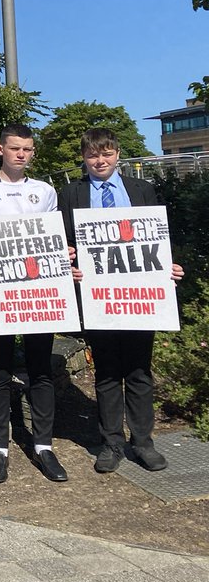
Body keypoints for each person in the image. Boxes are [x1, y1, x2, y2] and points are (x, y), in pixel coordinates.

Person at [57, 127, 185, 474]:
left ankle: (143, 442)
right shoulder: (72, 193)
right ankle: (111, 442)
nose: (100, 160)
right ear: (84, 158)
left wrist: (167, 267)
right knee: (108, 372)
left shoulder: (142, 189)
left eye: (107, 153)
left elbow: (156, 239)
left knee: (140, 370)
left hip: (141, 297)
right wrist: (69, 265)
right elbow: (64, 241)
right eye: (93, 155)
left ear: (117, 154)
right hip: (99, 297)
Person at [0, 125, 68, 485]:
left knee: (40, 369)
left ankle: (43, 445)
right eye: (15, 148)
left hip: (39, 292)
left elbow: (54, 236)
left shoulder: (45, 191)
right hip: (0, 291)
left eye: (28, 149)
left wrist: (63, 253)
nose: (21, 154)